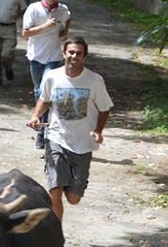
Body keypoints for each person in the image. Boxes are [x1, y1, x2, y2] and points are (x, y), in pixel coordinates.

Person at [27, 36, 112, 223]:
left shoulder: (94, 80)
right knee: (55, 190)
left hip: (83, 143)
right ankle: (56, 236)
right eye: (71, 52)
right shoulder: (52, 76)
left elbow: (105, 109)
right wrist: (35, 116)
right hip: (56, 138)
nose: (74, 56)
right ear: (64, 53)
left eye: (79, 53)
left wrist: (98, 131)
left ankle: (69, 182)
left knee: (73, 199)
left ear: (84, 57)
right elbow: (45, 99)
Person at [22, 0, 71, 149]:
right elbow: (25, 33)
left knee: (45, 89)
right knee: (38, 90)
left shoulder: (62, 10)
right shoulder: (33, 9)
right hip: (35, 56)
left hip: (54, 56)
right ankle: (42, 124)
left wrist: (63, 34)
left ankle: (42, 132)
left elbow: (67, 23)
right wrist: (45, 26)